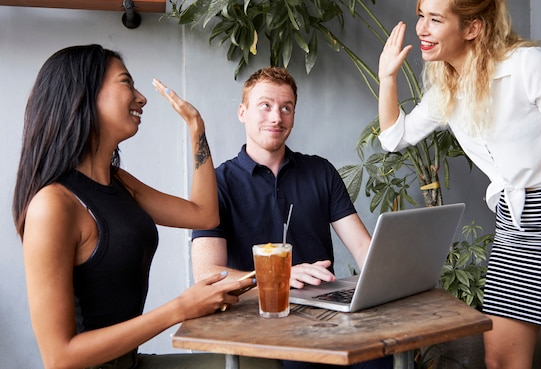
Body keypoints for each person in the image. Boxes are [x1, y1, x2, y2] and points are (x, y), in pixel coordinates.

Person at [376, 0, 541, 369]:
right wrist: (388, 78)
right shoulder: (447, 86)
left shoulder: (529, 65)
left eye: (436, 19)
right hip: (514, 237)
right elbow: (394, 139)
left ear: (472, 28)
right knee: (501, 364)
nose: (422, 28)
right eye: (422, 15)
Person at [12, 44, 254, 369]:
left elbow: (203, 213)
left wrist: (197, 128)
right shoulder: (53, 205)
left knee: (261, 365)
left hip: (130, 363)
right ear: (83, 94)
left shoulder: (118, 182)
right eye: (126, 82)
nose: (141, 97)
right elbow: (59, 357)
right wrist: (181, 308)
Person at [191, 67, 393, 369]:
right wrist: (277, 279)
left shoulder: (321, 171)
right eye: (265, 106)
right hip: (258, 318)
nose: (277, 117)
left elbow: (364, 249)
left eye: (287, 108)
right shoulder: (217, 183)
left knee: (381, 358)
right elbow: (207, 275)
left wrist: (392, 281)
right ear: (242, 112)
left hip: (326, 316)